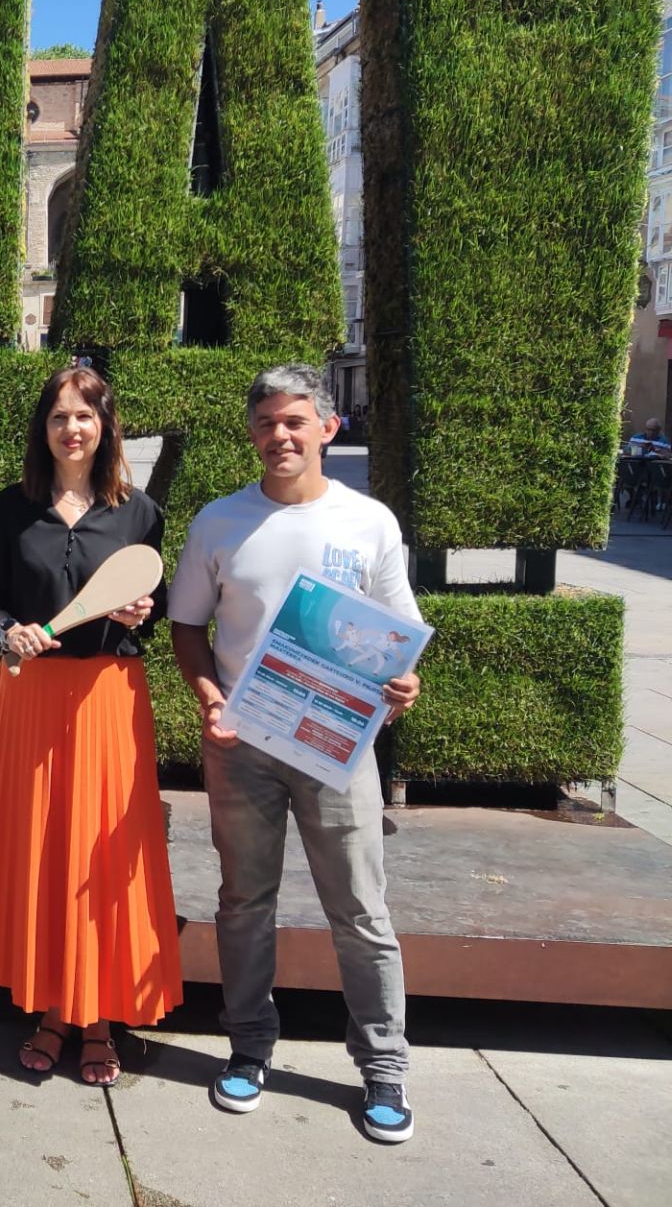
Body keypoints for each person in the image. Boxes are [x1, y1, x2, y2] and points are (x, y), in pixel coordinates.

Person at [169, 363, 423, 1145]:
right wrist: (210, 698)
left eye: (295, 422)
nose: (281, 436)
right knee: (245, 904)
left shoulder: (370, 521)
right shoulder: (218, 521)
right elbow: (187, 628)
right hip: (243, 745)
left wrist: (403, 682)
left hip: (338, 750)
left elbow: (397, 631)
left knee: (361, 910)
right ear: (252, 434)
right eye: (267, 424)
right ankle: (249, 1048)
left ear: (326, 429)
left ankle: (384, 1067)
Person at [0, 364, 179, 1086]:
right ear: (43, 429)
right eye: (59, 417)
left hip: (110, 698)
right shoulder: (7, 510)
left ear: (105, 426)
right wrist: (7, 631)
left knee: (102, 861)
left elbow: (156, 599)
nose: (72, 429)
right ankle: (54, 1007)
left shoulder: (138, 513)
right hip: (34, 700)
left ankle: (100, 1016)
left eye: (85, 416)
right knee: (43, 849)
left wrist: (139, 611)